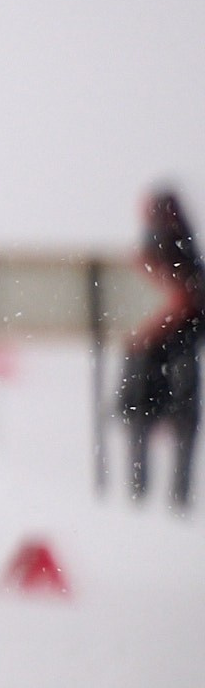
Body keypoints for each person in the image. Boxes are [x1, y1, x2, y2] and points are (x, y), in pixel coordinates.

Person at [120, 184, 202, 510]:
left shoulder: (146, 260)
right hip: (171, 359)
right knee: (178, 430)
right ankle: (171, 500)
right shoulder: (185, 259)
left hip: (151, 360)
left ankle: (143, 498)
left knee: (143, 429)